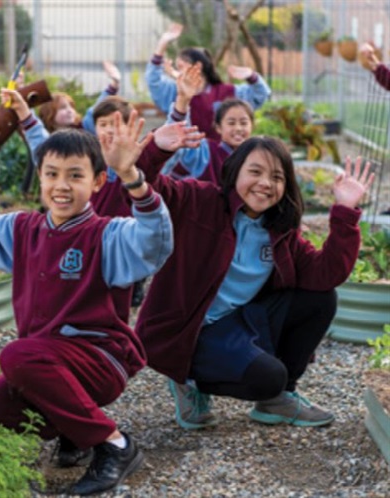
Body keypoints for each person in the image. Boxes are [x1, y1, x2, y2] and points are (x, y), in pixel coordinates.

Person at [0, 112, 174, 496]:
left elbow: (155, 241)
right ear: (40, 179)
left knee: (17, 356)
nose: (61, 185)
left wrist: (133, 178)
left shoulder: (107, 236)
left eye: (75, 175)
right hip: (45, 362)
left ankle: (114, 445)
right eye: (51, 174)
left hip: (99, 360)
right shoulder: (22, 231)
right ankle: (75, 429)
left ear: (99, 181)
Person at [134, 136, 374, 431]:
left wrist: (345, 213)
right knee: (267, 378)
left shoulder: (279, 230)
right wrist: (158, 148)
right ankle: (188, 380)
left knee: (321, 298)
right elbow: (146, 186)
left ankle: (279, 399)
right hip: (188, 331)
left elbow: (326, 273)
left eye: (277, 176)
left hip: (237, 322)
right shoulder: (199, 202)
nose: (265, 183)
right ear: (235, 172)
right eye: (255, 172)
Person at [3, 87, 203, 310]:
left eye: (116, 124)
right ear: (94, 127)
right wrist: (23, 110)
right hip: (84, 238)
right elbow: (43, 148)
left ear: (130, 129)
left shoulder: (134, 160)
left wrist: (181, 104)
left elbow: (162, 143)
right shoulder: (86, 160)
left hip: (120, 243)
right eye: (103, 124)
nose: (109, 130)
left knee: (113, 300)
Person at [145, 23, 270, 141]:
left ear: (197, 67)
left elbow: (260, 95)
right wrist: (162, 45)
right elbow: (153, 81)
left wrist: (252, 76)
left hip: (223, 158)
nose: (177, 71)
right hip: (189, 159)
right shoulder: (176, 93)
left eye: (180, 66)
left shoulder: (227, 92)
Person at [162, 65, 254, 184]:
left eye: (244, 123)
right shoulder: (206, 153)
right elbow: (180, 133)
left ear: (252, 125)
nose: (238, 128)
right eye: (231, 123)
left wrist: (252, 76)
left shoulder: (255, 155)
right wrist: (183, 101)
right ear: (218, 128)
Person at [38, 60, 122, 134]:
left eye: (71, 106)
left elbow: (97, 109)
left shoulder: (84, 128)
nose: (69, 110)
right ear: (49, 113)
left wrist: (114, 83)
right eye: (62, 107)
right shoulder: (45, 138)